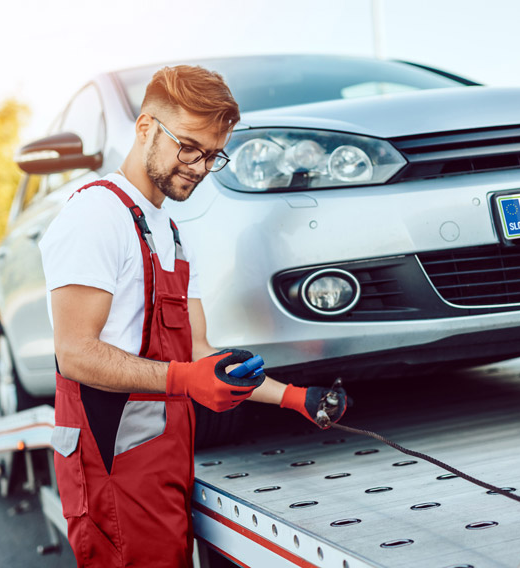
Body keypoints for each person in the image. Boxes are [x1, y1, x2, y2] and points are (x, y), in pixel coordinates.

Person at [39, 64, 348, 568]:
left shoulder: (172, 232)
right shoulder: (96, 214)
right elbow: (75, 353)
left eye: (211, 155)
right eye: (189, 147)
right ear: (145, 129)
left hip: (165, 461)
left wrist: (294, 397)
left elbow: (197, 352)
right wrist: (187, 379)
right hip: (111, 466)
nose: (200, 167)